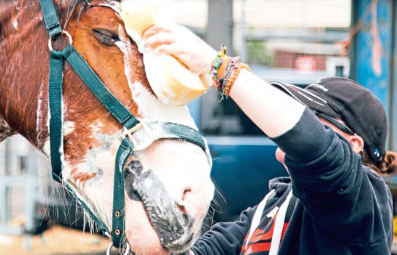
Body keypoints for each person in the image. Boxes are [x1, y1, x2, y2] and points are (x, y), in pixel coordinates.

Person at [142, 24, 397, 255]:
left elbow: (314, 146)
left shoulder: (363, 200)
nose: (296, 120)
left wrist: (217, 65)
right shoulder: (277, 201)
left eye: (314, 116)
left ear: (353, 145)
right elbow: (211, 249)